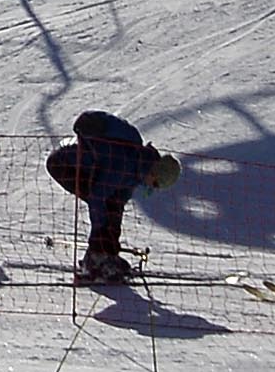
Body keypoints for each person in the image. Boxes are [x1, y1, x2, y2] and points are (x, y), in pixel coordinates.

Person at [43, 109, 176, 286]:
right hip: (63, 164)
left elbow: (118, 204)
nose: (152, 188)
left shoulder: (139, 167)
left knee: (112, 209)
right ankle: (95, 260)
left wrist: (112, 245)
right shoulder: (125, 164)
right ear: (155, 172)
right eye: (156, 184)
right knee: (103, 211)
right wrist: (100, 229)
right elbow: (97, 198)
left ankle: (107, 256)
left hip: (89, 170)